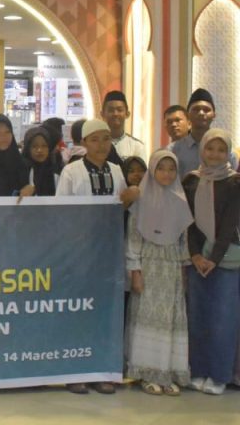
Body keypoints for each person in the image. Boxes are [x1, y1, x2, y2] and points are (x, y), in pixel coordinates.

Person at [124, 150, 192, 396]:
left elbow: (184, 240)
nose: (166, 174)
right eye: (161, 168)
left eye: (171, 169)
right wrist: (135, 271)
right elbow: (133, 239)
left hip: (171, 267)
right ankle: (147, 374)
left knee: (170, 321)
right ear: (152, 171)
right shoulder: (141, 199)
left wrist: (183, 270)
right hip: (148, 266)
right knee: (147, 319)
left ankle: (167, 373)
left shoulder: (180, 200)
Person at [180, 130, 240, 396]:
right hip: (197, 260)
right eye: (210, 149)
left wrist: (213, 258)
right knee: (198, 317)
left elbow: (230, 225)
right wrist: (195, 255)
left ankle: (219, 375)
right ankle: (198, 370)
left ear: (228, 153)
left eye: (221, 150)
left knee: (223, 320)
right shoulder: (191, 180)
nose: (214, 154)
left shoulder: (235, 182)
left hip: (225, 261)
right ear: (202, 150)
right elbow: (188, 222)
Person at [170, 88, 239, 178]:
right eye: (196, 109)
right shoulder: (173, 150)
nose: (201, 113)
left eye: (206, 110)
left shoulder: (227, 152)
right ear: (187, 115)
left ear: (214, 115)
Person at [102, 90, 147, 162]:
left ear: (127, 114)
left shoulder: (137, 146)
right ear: (102, 114)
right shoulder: (95, 145)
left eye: (119, 110)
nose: (115, 114)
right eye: (111, 110)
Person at [21, 126, 62, 197]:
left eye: (44, 146)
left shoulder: (56, 172)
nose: (39, 150)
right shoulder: (20, 173)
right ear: (28, 148)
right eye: (34, 146)